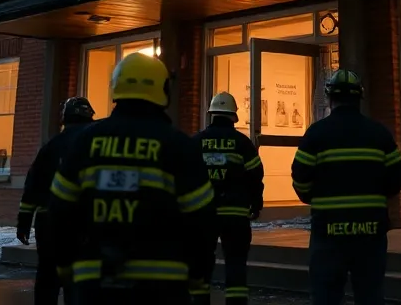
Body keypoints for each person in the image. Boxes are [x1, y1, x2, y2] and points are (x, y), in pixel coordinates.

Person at [48, 52, 216, 305]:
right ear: (163, 90)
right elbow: (202, 219)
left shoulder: (84, 142)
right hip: (162, 282)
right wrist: (199, 274)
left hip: (95, 280)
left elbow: (59, 210)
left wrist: (64, 264)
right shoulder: (178, 145)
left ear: (117, 88)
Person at [291, 69, 401, 305]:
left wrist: (314, 197)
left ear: (330, 98)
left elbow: (300, 178)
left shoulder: (316, 134)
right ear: (359, 98)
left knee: (326, 296)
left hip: (328, 232)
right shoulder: (379, 134)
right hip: (370, 232)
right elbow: (397, 177)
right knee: (370, 295)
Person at [19, 96, 97, 305]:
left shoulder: (51, 146)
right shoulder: (96, 144)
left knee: (47, 276)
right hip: (84, 222)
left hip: (49, 222)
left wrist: (24, 221)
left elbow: (33, 185)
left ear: (65, 118)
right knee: (78, 277)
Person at [190, 92, 264, 305]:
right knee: (236, 263)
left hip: (204, 213)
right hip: (235, 214)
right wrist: (256, 204)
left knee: (201, 264)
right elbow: (255, 175)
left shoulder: (196, 142)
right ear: (233, 116)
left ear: (211, 114)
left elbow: (186, 177)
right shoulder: (242, 143)